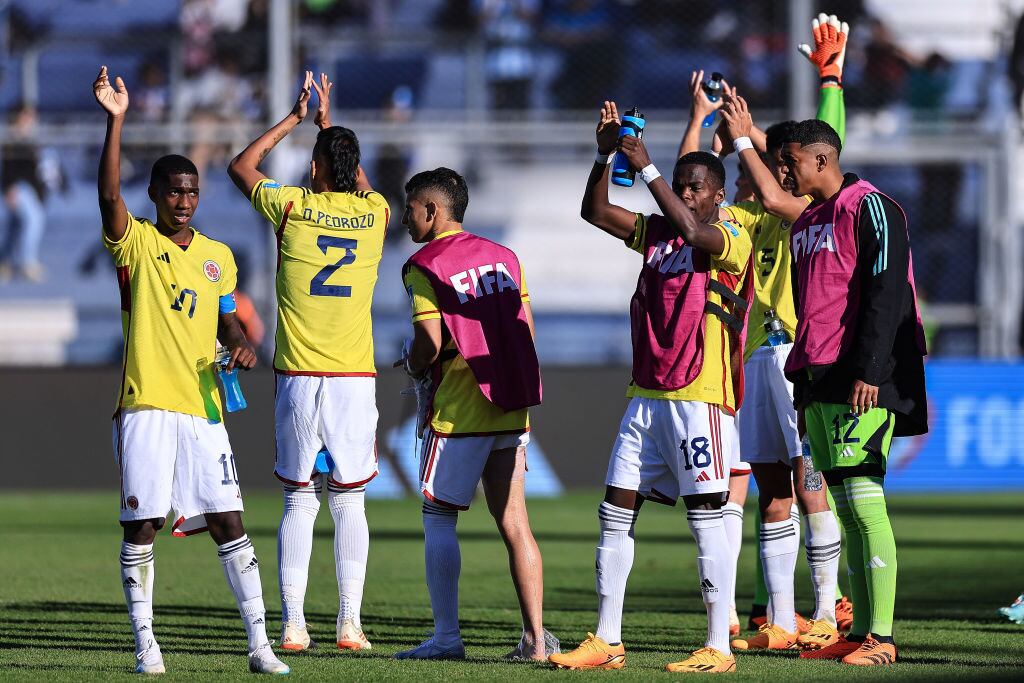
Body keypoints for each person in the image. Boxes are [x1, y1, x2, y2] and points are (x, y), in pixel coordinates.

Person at [93, 66, 288, 675]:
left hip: (204, 405)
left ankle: (259, 644)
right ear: (155, 195)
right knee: (143, 523)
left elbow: (228, 319)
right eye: (174, 192)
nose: (184, 202)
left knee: (230, 520)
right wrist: (116, 121)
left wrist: (242, 345)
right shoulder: (137, 243)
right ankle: (146, 644)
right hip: (147, 402)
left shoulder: (217, 257)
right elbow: (109, 199)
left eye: (192, 192)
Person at [550, 102, 753, 674]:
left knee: (706, 516)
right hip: (646, 394)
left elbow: (692, 229)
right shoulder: (656, 233)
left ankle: (718, 646)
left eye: (695, 188)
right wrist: (604, 156)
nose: (686, 194)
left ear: (718, 195)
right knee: (614, 510)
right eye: (681, 186)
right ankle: (608, 639)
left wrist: (647, 167)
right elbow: (595, 211)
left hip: (699, 397)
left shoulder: (729, 235)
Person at [709, 14, 855, 653]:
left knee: (810, 483)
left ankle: (825, 610)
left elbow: (823, 145)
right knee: (772, 491)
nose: (771, 171)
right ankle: (783, 620)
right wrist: (721, 143)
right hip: (757, 357)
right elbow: (698, 203)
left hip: (802, 355)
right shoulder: (748, 214)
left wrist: (830, 82)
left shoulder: (808, 209)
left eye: (778, 164)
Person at [228, 71, 388, 653]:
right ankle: (350, 624)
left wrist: (296, 120)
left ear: (314, 167)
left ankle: (293, 625)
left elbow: (241, 166)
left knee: (299, 498)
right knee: (349, 500)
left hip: (299, 374)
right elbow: (363, 187)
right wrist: (329, 127)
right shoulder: (376, 213)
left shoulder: (292, 206)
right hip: (353, 376)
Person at [778, 118, 928, 666]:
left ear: (821, 159)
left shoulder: (872, 207)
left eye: (790, 162)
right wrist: (802, 388)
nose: (783, 172)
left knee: (866, 505)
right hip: (819, 380)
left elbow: (888, 294)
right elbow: (808, 309)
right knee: (844, 508)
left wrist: (871, 370)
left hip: (863, 377)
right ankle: (859, 630)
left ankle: (881, 638)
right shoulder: (804, 223)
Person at [394, 167, 556, 661]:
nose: (405, 219)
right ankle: (535, 640)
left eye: (410, 209)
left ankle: (447, 639)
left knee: (439, 516)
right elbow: (525, 329)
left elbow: (429, 342)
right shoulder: (505, 257)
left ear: (431, 210)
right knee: (515, 522)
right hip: (510, 404)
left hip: (460, 408)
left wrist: (413, 365)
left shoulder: (424, 264)